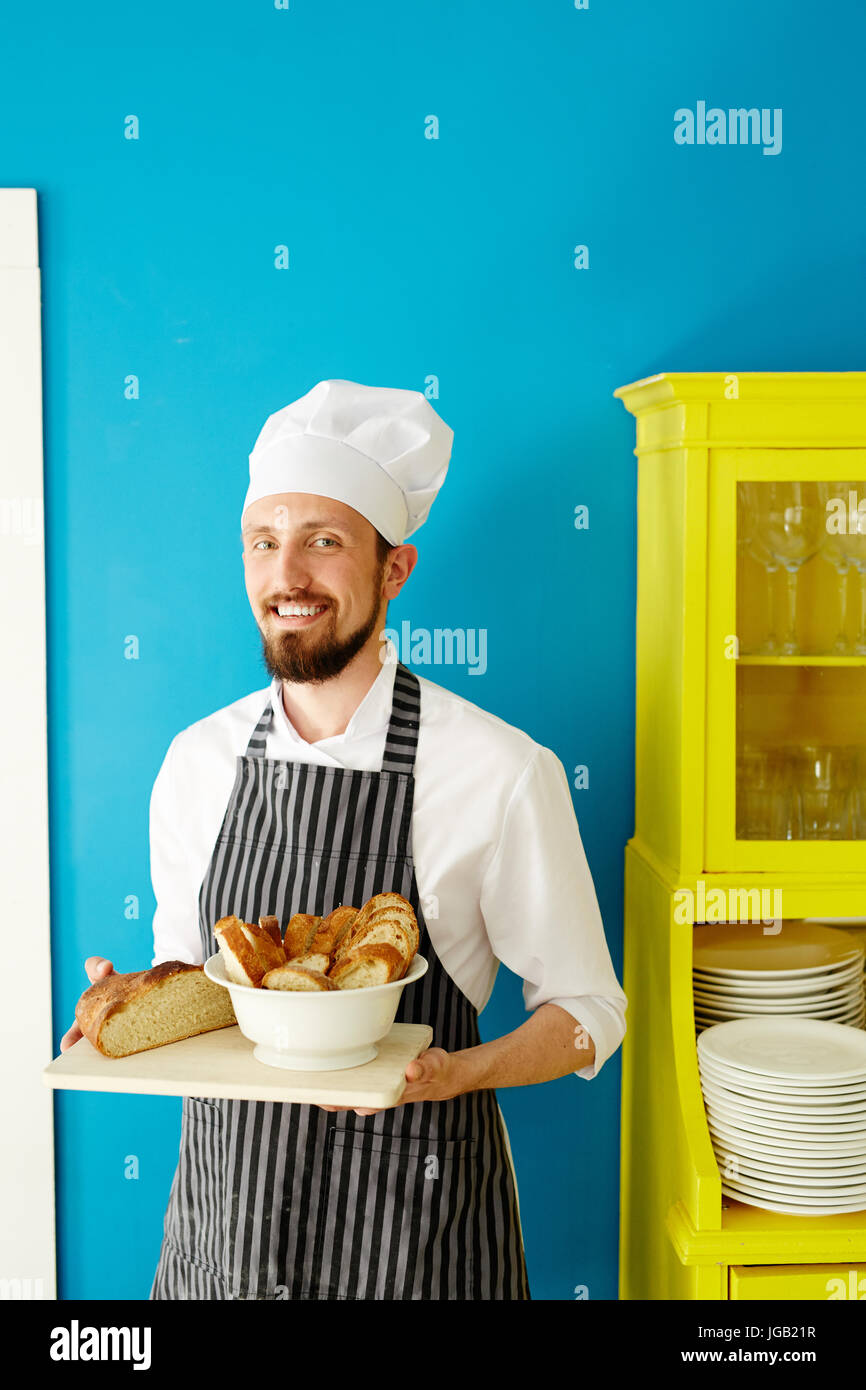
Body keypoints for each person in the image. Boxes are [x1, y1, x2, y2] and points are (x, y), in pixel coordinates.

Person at [62, 379, 627, 1300]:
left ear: (395, 569)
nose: (287, 576)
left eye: (323, 542)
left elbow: (590, 1014)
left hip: (417, 1243)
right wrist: (124, 1009)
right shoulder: (195, 761)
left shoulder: (498, 769)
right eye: (264, 542)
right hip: (224, 1246)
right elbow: (199, 987)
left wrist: (456, 1074)